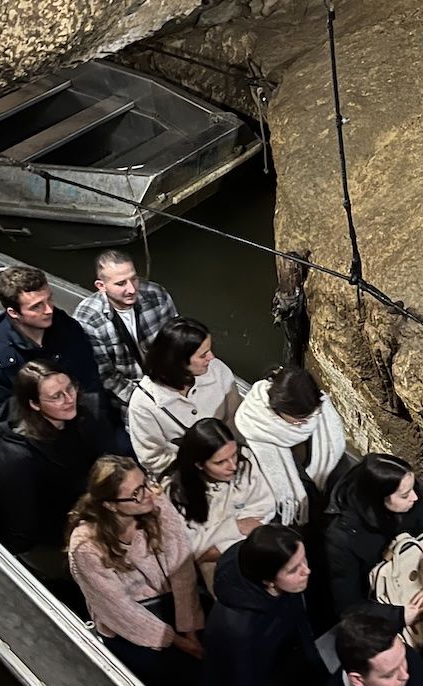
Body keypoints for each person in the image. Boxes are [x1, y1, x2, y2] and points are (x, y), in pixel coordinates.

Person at [66, 457, 205, 686]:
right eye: (136, 492)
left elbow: (182, 569)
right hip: (130, 622)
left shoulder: (156, 503)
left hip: (171, 600)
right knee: (169, 680)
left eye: (145, 482)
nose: (149, 493)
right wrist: (177, 640)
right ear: (110, 505)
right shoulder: (86, 546)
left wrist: (190, 628)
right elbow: (119, 610)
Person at [203, 525, 327, 686]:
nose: (307, 571)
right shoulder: (235, 632)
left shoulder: (282, 582)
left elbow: (302, 639)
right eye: (294, 569)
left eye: (304, 560)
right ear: (268, 581)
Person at [0, 362, 114, 573]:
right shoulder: (16, 457)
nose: (69, 399)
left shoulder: (84, 410)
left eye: (70, 388)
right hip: (58, 537)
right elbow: (25, 524)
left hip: (96, 512)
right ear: (35, 404)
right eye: (56, 396)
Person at [324, 452, 423, 621]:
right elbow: (348, 605)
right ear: (379, 499)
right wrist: (400, 616)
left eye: (412, 489)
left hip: (418, 584)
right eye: (404, 495)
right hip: (382, 610)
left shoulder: (410, 502)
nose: (415, 497)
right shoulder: (341, 538)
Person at [0, 264, 102, 423]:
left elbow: (90, 378)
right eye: (36, 306)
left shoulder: (66, 326)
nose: (49, 310)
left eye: (49, 299)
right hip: (43, 429)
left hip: (86, 413)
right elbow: (9, 418)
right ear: (14, 313)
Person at [167, 419, 277, 590]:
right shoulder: (176, 492)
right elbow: (189, 547)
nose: (233, 466)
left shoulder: (245, 461)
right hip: (211, 564)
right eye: (220, 462)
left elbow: (263, 509)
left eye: (233, 454)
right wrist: (234, 527)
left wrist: (220, 544)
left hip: (247, 546)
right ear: (199, 464)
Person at [126, 317, 240, 478]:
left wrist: (231, 457)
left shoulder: (217, 370)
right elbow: (153, 458)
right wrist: (200, 470)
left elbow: (235, 419)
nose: (211, 357)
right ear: (178, 362)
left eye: (209, 350)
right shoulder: (143, 404)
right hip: (185, 475)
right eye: (203, 355)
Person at [234, 367, 346, 527]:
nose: (305, 423)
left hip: (320, 499)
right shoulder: (254, 425)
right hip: (286, 517)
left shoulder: (320, 411)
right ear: (278, 410)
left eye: (310, 416)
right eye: (299, 419)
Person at [72, 249, 177, 420]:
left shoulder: (156, 294)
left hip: (168, 379)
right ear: (101, 286)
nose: (132, 289)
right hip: (130, 396)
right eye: (121, 284)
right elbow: (106, 376)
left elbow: (176, 341)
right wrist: (145, 400)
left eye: (134, 279)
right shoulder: (88, 319)